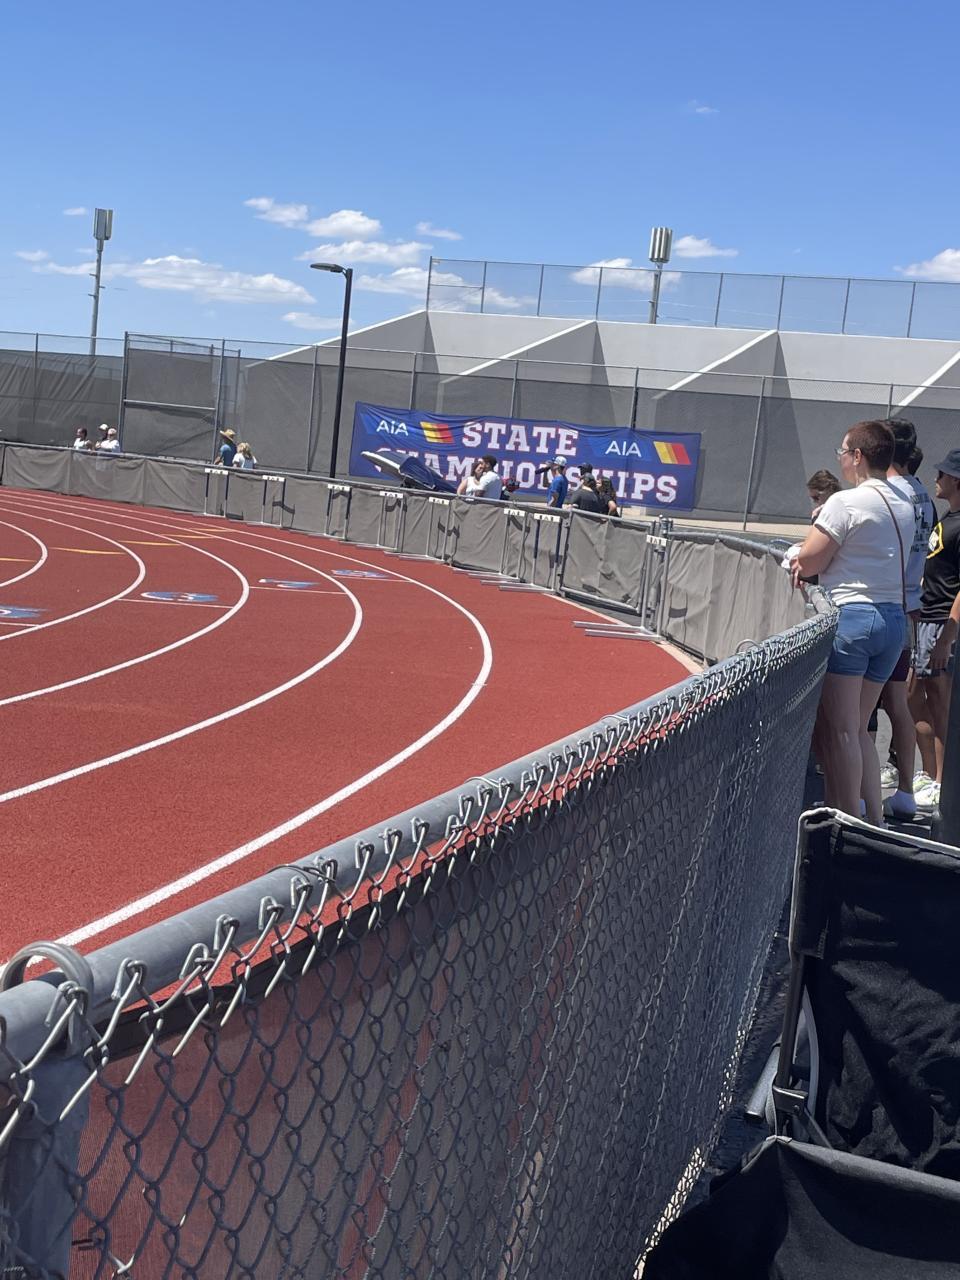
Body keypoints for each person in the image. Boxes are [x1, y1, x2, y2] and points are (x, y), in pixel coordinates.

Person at [791, 421, 914, 825]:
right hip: (893, 620)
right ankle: (874, 822)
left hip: (854, 619)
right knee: (859, 728)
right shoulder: (903, 502)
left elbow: (810, 560)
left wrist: (795, 557)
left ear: (858, 456)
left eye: (842, 452)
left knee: (842, 730)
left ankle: (849, 826)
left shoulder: (845, 503)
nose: (841, 459)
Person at [876, 419, 937, 818]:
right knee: (898, 700)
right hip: (907, 606)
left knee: (866, 704)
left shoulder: (887, 493)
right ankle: (902, 787)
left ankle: (864, 794)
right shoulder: (922, 496)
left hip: (883, 605)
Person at [908, 447, 960, 814]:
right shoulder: (948, 517)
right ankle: (929, 773)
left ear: (956, 480)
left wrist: (946, 639)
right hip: (926, 619)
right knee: (912, 694)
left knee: (941, 702)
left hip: (942, 623)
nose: (936, 479)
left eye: (942, 474)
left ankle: (943, 781)